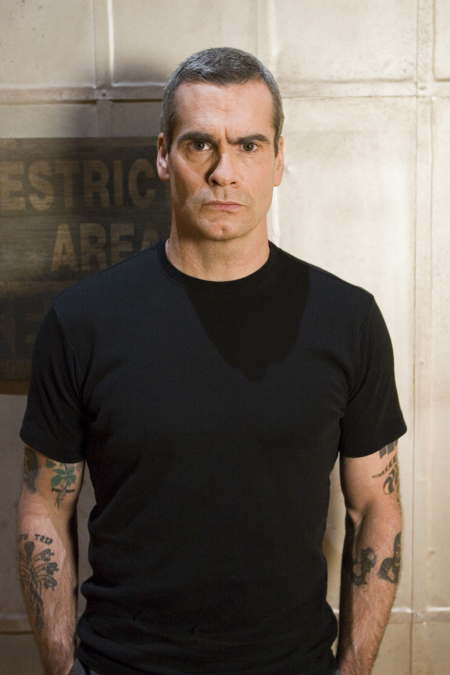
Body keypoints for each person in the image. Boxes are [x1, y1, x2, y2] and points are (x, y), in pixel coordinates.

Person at [18, 47, 406, 675]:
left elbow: (375, 508)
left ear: (279, 160)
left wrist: (355, 668)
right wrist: (63, 668)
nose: (224, 172)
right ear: (163, 155)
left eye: (249, 146)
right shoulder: (82, 320)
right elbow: (44, 505)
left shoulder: (347, 319)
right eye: (200, 144)